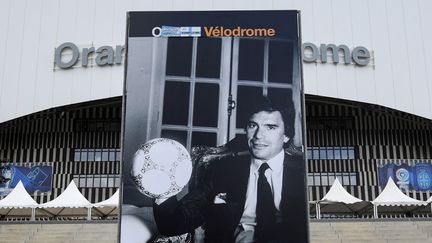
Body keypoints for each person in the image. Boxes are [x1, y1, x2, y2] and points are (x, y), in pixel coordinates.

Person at [153, 96, 308, 243]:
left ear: (286, 135)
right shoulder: (222, 170)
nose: (258, 135)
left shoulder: (305, 173)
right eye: (253, 125)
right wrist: (161, 185)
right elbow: (175, 224)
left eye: (270, 127)